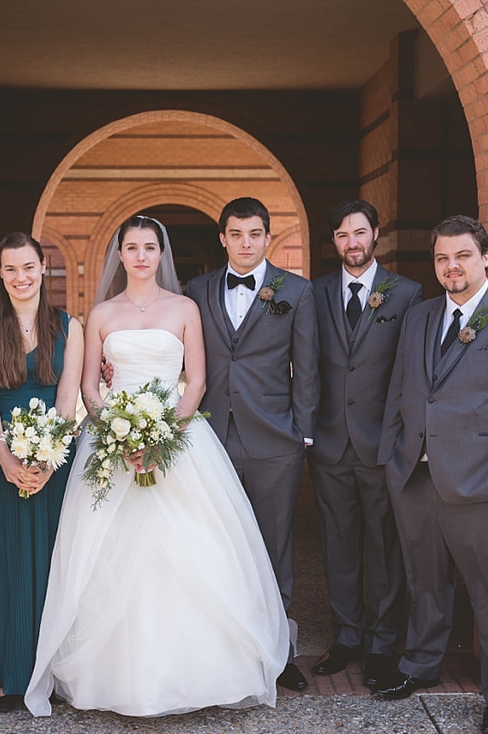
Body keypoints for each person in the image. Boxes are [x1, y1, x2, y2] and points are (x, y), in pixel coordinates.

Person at [24, 214, 288, 717]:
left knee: (192, 553)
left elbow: (196, 383)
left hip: (179, 440)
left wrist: (163, 434)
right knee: (109, 556)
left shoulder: (185, 308)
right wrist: (116, 433)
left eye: (150, 246)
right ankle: (115, 679)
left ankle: (201, 674)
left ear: (161, 254)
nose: (141, 255)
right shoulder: (100, 314)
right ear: (119, 254)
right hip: (114, 444)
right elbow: (88, 388)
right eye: (132, 246)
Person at [376, 215, 488, 734]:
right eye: (441, 258)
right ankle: (421, 665)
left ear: (485, 258)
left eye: (462, 256)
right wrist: (394, 457)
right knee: (424, 582)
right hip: (416, 478)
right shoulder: (420, 317)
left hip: (486, 486)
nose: (451, 267)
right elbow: (401, 390)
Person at [185, 197, 318, 692]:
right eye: (236, 234)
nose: (245, 243)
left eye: (254, 234)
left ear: (267, 238)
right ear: (223, 238)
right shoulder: (196, 290)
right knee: (216, 544)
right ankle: (221, 650)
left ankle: (278, 654)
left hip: (275, 440)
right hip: (210, 435)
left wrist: (301, 434)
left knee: (275, 545)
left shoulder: (296, 292)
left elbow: (306, 366)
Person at [0, 232, 84, 713]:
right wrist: (8, 461)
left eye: (28, 267)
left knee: (48, 562)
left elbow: (67, 399)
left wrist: (47, 461)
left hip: (51, 461)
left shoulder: (68, 326)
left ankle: (43, 669)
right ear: (0, 273)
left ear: (43, 269)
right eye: (10, 269)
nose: (20, 277)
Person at [308, 200, 422, 687]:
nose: (351, 243)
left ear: (376, 234)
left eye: (359, 233)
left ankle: (381, 643)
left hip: (381, 443)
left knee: (383, 545)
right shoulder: (315, 293)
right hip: (330, 442)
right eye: (341, 235)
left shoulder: (407, 293)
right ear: (332, 242)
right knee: (339, 544)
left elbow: (412, 371)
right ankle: (348, 635)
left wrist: (405, 439)